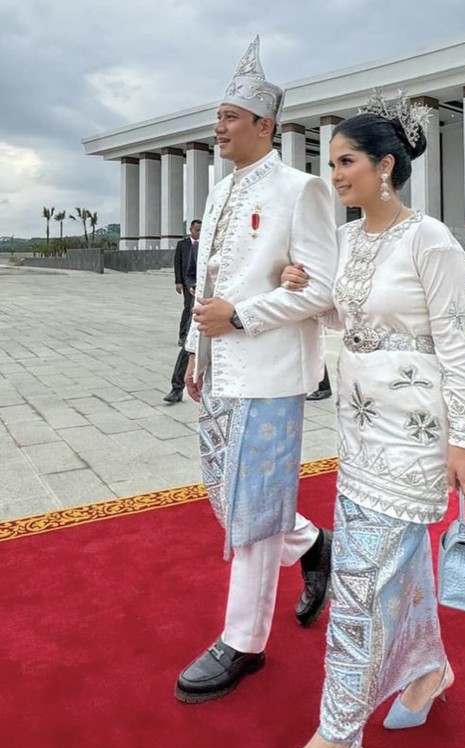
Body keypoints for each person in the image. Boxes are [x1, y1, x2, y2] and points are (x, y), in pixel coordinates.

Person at [270, 90, 465, 748]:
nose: (334, 175)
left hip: (415, 437)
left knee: (357, 586)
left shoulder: (432, 240)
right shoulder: (350, 240)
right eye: (330, 163)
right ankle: (426, 674)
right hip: (358, 430)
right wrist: (306, 285)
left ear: (386, 165)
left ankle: (337, 738)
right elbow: (348, 317)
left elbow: (453, 343)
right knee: (397, 569)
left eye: (346, 161)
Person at [174, 37, 338, 704]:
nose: (219, 127)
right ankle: (312, 543)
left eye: (230, 117)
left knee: (253, 509)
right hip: (220, 372)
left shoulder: (304, 190)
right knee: (225, 495)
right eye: (218, 116)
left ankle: (244, 642)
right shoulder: (218, 195)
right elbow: (207, 283)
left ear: (266, 126)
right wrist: (195, 348)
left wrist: (239, 318)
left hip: (270, 373)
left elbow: (320, 288)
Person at [164, 219, 201, 403]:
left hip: (226, 307)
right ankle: (176, 388)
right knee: (189, 345)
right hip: (201, 302)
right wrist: (192, 285)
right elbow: (190, 273)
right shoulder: (194, 248)